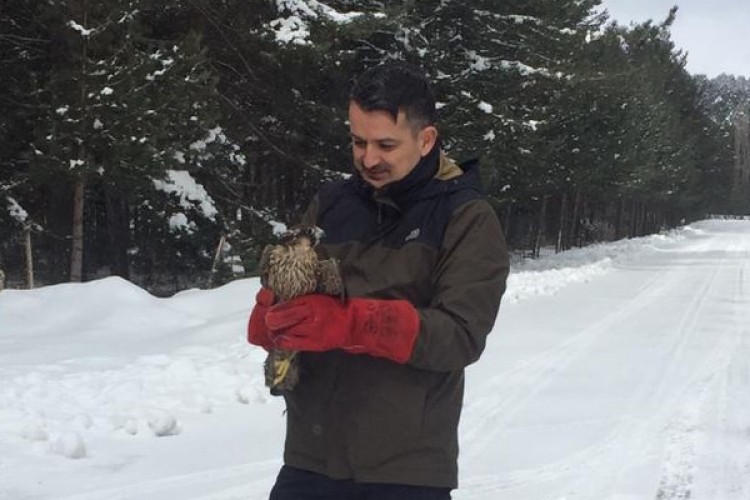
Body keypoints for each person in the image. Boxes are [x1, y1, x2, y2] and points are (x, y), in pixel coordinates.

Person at [248, 61, 509, 499]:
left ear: (426, 140)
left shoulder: (465, 216)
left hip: (406, 469)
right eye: (357, 141)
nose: (368, 159)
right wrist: (275, 315)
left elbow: (460, 335)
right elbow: (295, 284)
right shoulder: (332, 204)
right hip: (312, 456)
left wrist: (353, 322)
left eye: (385, 144)